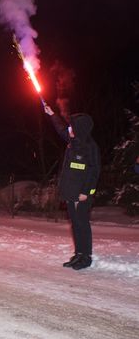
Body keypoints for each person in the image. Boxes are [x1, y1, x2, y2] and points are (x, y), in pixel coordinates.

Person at [44, 104, 100, 270]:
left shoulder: (90, 147)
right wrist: (52, 114)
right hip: (70, 191)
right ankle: (78, 254)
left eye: (72, 126)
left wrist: (86, 192)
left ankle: (86, 256)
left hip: (81, 193)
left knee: (82, 223)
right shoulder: (73, 141)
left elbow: (95, 171)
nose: (69, 128)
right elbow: (61, 129)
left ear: (80, 128)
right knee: (75, 224)